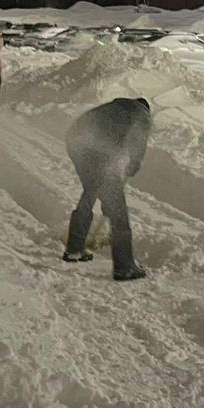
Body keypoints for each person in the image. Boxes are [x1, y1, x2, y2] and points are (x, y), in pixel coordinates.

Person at [62, 97, 153, 281]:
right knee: (118, 210)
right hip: (96, 150)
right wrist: (129, 170)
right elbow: (136, 153)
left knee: (91, 190)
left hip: (75, 141)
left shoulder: (117, 108)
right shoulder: (142, 116)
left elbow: (110, 137)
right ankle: (124, 267)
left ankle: (74, 249)